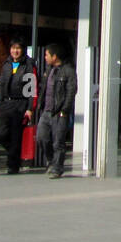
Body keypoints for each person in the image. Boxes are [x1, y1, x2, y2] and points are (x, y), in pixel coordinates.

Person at [0, 38, 37, 174]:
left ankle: (13, 165)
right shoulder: (7, 64)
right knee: (1, 134)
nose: (15, 51)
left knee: (15, 136)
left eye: (18, 48)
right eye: (13, 48)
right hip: (5, 104)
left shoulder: (28, 65)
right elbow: (1, 85)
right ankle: (13, 156)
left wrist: (30, 108)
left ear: (22, 49)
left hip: (20, 104)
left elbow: (31, 89)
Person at [36, 43, 77, 179]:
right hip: (46, 110)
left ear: (55, 56)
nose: (45, 57)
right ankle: (51, 160)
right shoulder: (49, 70)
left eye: (47, 55)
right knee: (42, 137)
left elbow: (71, 91)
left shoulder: (68, 71)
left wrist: (65, 109)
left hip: (59, 112)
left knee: (58, 141)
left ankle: (57, 168)